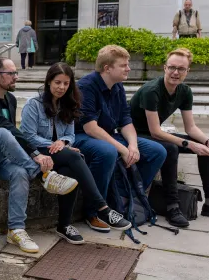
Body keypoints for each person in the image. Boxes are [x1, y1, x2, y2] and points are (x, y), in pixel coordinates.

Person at [0, 57, 78, 254]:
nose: (16, 77)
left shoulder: (10, 99)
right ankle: (44, 175)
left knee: (19, 172)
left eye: (16, 73)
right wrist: (35, 156)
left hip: (1, 161)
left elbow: (16, 135)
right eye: (12, 73)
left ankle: (16, 230)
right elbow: (5, 127)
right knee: (2, 133)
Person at [130, 48, 209, 227]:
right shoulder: (151, 90)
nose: (176, 72)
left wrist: (208, 142)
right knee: (170, 148)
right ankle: (172, 206)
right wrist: (189, 144)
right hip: (134, 135)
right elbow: (155, 132)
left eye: (181, 69)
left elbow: (190, 127)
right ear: (164, 68)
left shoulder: (184, 92)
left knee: (204, 147)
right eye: (172, 67)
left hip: (153, 134)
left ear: (187, 71)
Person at [19, 63, 131, 243]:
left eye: (65, 83)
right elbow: (27, 136)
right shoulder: (34, 105)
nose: (61, 87)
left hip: (59, 151)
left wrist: (63, 142)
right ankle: (102, 207)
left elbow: (70, 134)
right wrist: (55, 144)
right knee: (74, 156)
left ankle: (63, 225)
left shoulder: (68, 104)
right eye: (57, 82)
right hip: (36, 153)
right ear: (48, 82)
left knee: (70, 173)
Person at [72, 45, 167, 232]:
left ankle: (124, 199)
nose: (128, 69)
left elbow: (125, 119)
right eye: (123, 65)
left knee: (158, 151)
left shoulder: (117, 86)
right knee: (107, 151)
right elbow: (90, 128)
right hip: (81, 136)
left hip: (108, 135)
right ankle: (94, 211)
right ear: (107, 68)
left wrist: (133, 146)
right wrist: (123, 149)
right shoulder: (86, 86)